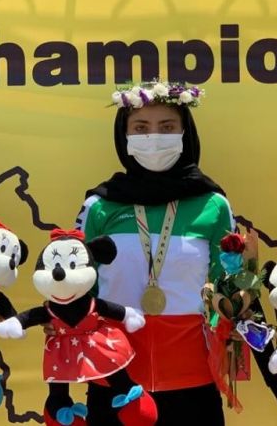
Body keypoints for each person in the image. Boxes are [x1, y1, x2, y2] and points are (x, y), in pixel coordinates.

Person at [72, 81, 234, 425]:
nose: (154, 137)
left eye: (167, 127)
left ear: (185, 133)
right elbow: (81, 289)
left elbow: (226, 286)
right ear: (124, 136)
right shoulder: (99, 206)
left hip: (193, 380)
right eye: (141, 128)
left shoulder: (213, 204)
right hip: (115, 377)